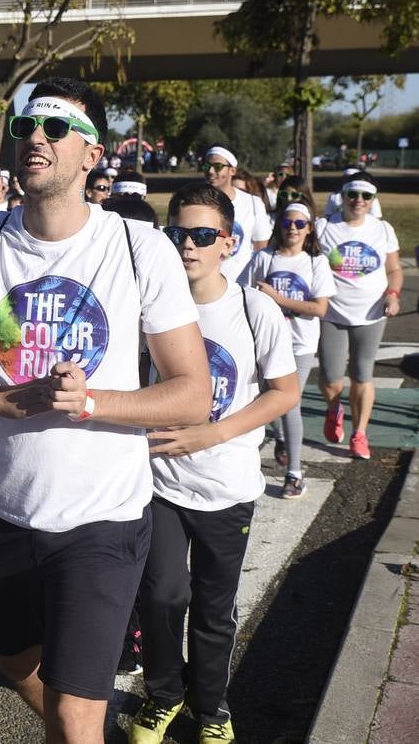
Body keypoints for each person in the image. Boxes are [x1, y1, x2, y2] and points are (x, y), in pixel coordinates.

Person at [0, 78, 211, 744]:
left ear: (92, 155)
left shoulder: (136, 248)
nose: (36, 137)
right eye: (29, 125)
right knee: (18, 666)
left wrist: (90, 402)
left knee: (72, 713)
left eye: (57, 128)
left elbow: (192, 393)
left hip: (101, 520)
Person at [131, 183, 297, 744]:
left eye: (202, 236)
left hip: (227, 486)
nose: (188, 246)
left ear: (228, 243)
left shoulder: (254, 308)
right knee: (160, 595)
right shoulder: (148, 306)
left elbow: (284, 392)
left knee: (212, 609)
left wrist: (213, 433)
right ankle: (163, 695)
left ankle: (211, 707)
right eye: (178, 234)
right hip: (159, 482)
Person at [244, 197, 335, 496]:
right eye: (287, 223)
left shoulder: (315, 262)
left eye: (299, 224)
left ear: (309, 229)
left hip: (300, 343)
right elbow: (247, 296)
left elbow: (320, 309)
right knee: (268, 401)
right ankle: (279, 441)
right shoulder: (264, 258)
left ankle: (293, 474)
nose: (292, 229)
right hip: (267, 341)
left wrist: (278, 299)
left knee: (290, 402)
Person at [314, 172, 402, 459]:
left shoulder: (383, 229)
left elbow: (394, 270)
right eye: (353, 194)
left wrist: (394, 294)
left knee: (363, 374)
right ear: (343, 196)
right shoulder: (325, 226)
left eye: (366, 196)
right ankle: (334, 408)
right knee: (329, 377)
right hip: (332, 313)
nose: (359, 201)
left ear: (373, 199)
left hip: (372, 313)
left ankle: (359, 433)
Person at [201, 146, 269, 283]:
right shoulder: (197, 202)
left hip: (241, 285)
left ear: (232, 170)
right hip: (204, 284)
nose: (211, 171)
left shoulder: (253, 203)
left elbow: (261, 247)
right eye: (207, 165)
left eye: (218, 166)